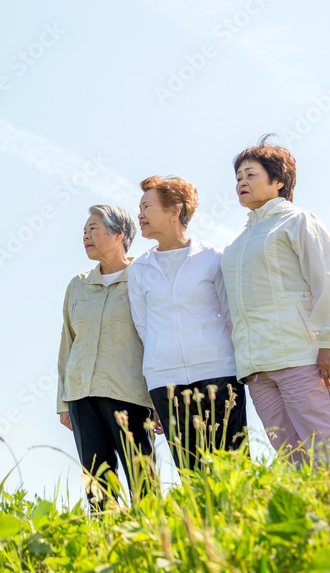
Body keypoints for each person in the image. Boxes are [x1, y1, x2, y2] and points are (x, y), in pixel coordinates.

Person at [220, 135, 330, 461]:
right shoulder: (235, 245)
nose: (242, 182)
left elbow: (328, 281)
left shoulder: (298, 221)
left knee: (328, 450)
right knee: (291, 458)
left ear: (278, 180)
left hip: (302, 357)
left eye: (251, 175)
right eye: (238, 177)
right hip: (257, 369)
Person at [128, 176, 248, 471]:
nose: (140, 215)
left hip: (219, 372)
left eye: (147, 207)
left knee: (234, 466)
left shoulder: (212, 258)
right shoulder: (139, 269)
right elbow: (143, 327)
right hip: (165, 380)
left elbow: (231, 317)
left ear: (175, 211)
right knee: (191, 470)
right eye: (139, 208)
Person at [57, 205, 158, 506]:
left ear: (118, 234)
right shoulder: (78, 285)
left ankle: (153, 531)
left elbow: (156, 340)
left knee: (143, 480)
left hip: (129, 394)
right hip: (81, 396)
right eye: (84, 231)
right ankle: (104, 531)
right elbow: (67, 344)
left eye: (93, 229)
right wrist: (63, 401)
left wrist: (158, 399)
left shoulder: (142, 278)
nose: (85, 236)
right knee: (96, 485)